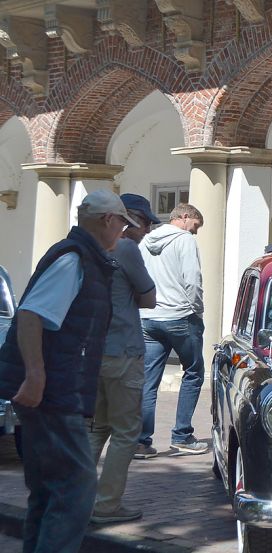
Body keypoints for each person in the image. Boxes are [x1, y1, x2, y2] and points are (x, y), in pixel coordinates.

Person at [0, 189, 137, 553]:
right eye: (122, 223)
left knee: (49, 490)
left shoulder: (84, 258)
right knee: (76, 488)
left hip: (56, 389)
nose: (124, 231)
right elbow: (31, 315)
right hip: (55, 394)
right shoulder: (75, 258)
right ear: (108, 220)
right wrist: (36, 375)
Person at [87, 194, 159, 524]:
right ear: (127, 219)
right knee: (126, 431)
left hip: (94, 350)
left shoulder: (89, 247)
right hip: (123, 349)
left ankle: (79, 496)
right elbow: (148, 297)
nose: (145, 231)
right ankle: (106, 504)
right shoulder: (126, 247)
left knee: (97, 427)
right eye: (144, 223)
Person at [136, 203, 208, 458]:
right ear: (184, 217)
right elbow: (192, 279)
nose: (195, 232)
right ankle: (182, 435)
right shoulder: (184, 240)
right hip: (179, 316)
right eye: (196, 226)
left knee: (148, 380)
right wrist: (197, 309)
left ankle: (141, 441)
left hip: (148, 317)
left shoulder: (145, 240)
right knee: (193, 372)